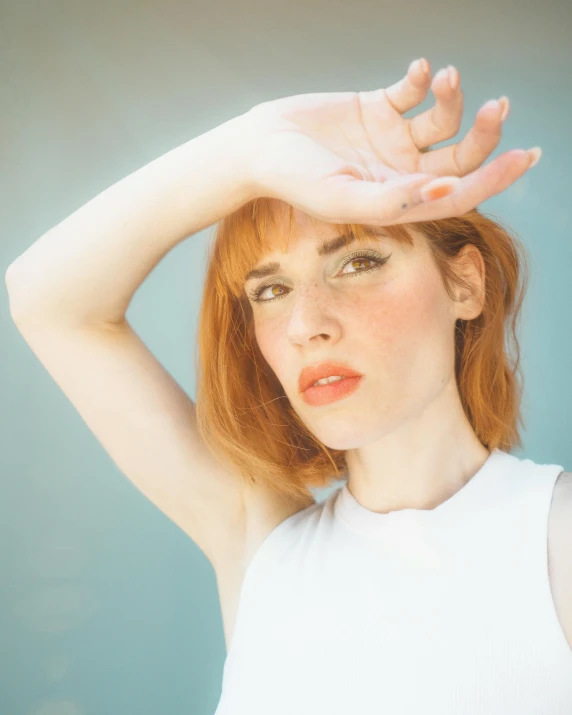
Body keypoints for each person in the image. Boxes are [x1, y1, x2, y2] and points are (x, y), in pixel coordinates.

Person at [6, 58, 571, 713]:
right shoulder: (261, 542)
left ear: (465, 283)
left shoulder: (554, 538)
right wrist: (255, 145)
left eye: (359, 261)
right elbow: (44, 296)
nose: (306, 325)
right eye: (271, 289)